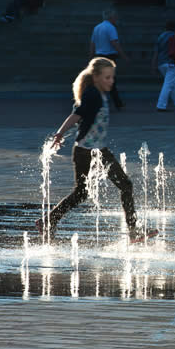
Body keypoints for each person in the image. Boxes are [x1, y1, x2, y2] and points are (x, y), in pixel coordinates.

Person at [35, 57, 156, 243]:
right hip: (88, 152)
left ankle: (48, 221)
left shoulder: (96, 93)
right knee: (124, 185)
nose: (111, 81)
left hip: (95, 150)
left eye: (112, 78)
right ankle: (134, 230)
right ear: (96, 77)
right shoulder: (92, 94)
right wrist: (59, 134)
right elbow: (77, 114)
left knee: (83, 193)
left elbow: (79, 111)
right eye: (107, 78)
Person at [90, 9, 129, 110]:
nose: (116, 19)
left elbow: (92, 44)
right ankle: (117, 103)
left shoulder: (97, 27)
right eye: (115, 17)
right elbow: (114, 43)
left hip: (99, 55)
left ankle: (112, 103)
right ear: (111, 17)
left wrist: (91, 57)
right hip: (109, 56)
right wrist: (123, 55)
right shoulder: (111, 28)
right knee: (111, 80)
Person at [152, 20, 175, 112]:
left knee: (171, 83)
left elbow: (156, 52)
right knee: (168, 84)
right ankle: (161, 105)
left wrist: (154, 65)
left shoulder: (161, 37)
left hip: (161, 63)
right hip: (172, 62)